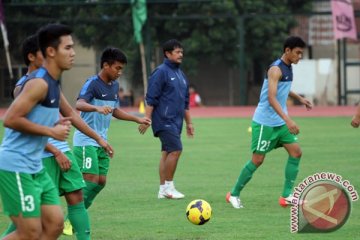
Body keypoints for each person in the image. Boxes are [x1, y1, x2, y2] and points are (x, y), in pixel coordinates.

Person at [5, 33, 113, 240]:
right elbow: (21, 126)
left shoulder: (52, 83)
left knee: (75, 199)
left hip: (61, 150)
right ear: (32, 56)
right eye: (45, 52)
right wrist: (54, 150)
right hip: (40, 156)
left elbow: (71, 114)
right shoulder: (25, 86)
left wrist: (98, 138)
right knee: (30, 222)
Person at [0, 23, 74, 240]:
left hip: (35, 166)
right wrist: (51, 132)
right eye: (67, 48)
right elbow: (10, 119)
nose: (73, 53)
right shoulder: (38, 84)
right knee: (29, 232)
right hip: (16, 165)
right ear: (51, 51)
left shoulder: (53, 84)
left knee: (54, 225)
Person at [226, 36, 312, 209]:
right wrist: (288, 120)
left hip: (280, 124)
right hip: (265, 123)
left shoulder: (288, 67)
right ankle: (233, 194)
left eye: (302, 53)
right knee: (257, 160)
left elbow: (284, 88)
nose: (300, 57)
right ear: (287, 50)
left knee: (296, 152)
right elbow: (271, 98)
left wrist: (300, 98)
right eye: (298, 53)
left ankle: (286, 196)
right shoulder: (275, 69)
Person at [72, 47, 151, 212]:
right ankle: (73, 217)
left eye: (122, 68)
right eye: (118, 68)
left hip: (102, 140)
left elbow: (115, 110)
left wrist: (137, 118)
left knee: (101, 182)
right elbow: (79, 104)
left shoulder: (114, 86)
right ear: (106, 65)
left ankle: (78, 213)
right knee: (91, 178)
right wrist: (97, 109)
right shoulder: (92, 83)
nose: (120, 72)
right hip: (86, 140)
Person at [138, 39, 194, 199]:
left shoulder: (181, 75)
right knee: (176, 150)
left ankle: (162, 189)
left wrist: (189, 123)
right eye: (177, 52)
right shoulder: (161, 72)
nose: (181, 54)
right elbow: (151, 97)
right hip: (164, 120)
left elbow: (185, 102)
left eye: (181, 52)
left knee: (166, 153)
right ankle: (169, 187)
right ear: (167, 54)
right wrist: (147, 118)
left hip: (176, 122)